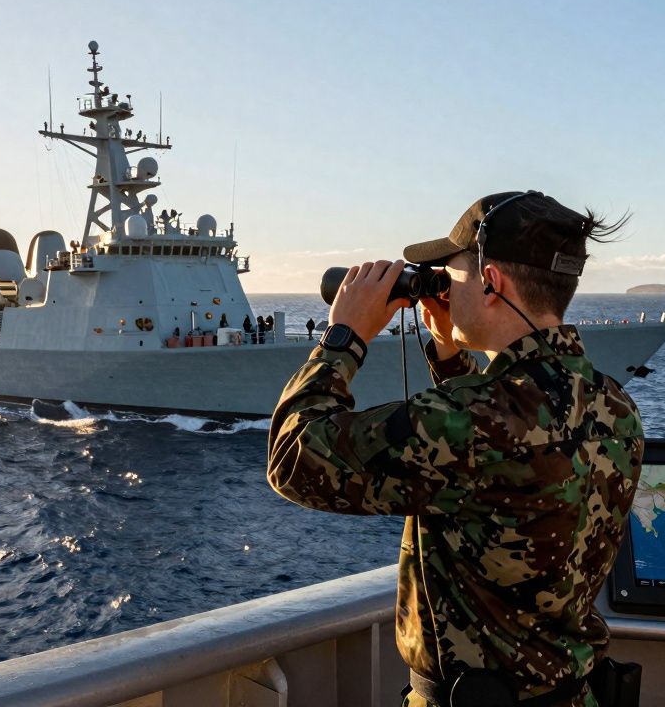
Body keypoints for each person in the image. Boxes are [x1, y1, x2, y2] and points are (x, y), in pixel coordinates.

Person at [267, 191, 641, 707]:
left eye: (451, 272)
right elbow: (495, 449)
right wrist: (449, 348)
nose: (442, 284)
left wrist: (344, 337)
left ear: (490, 282)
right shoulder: (613, 405)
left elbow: (295, 459)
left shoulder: (473, 422)